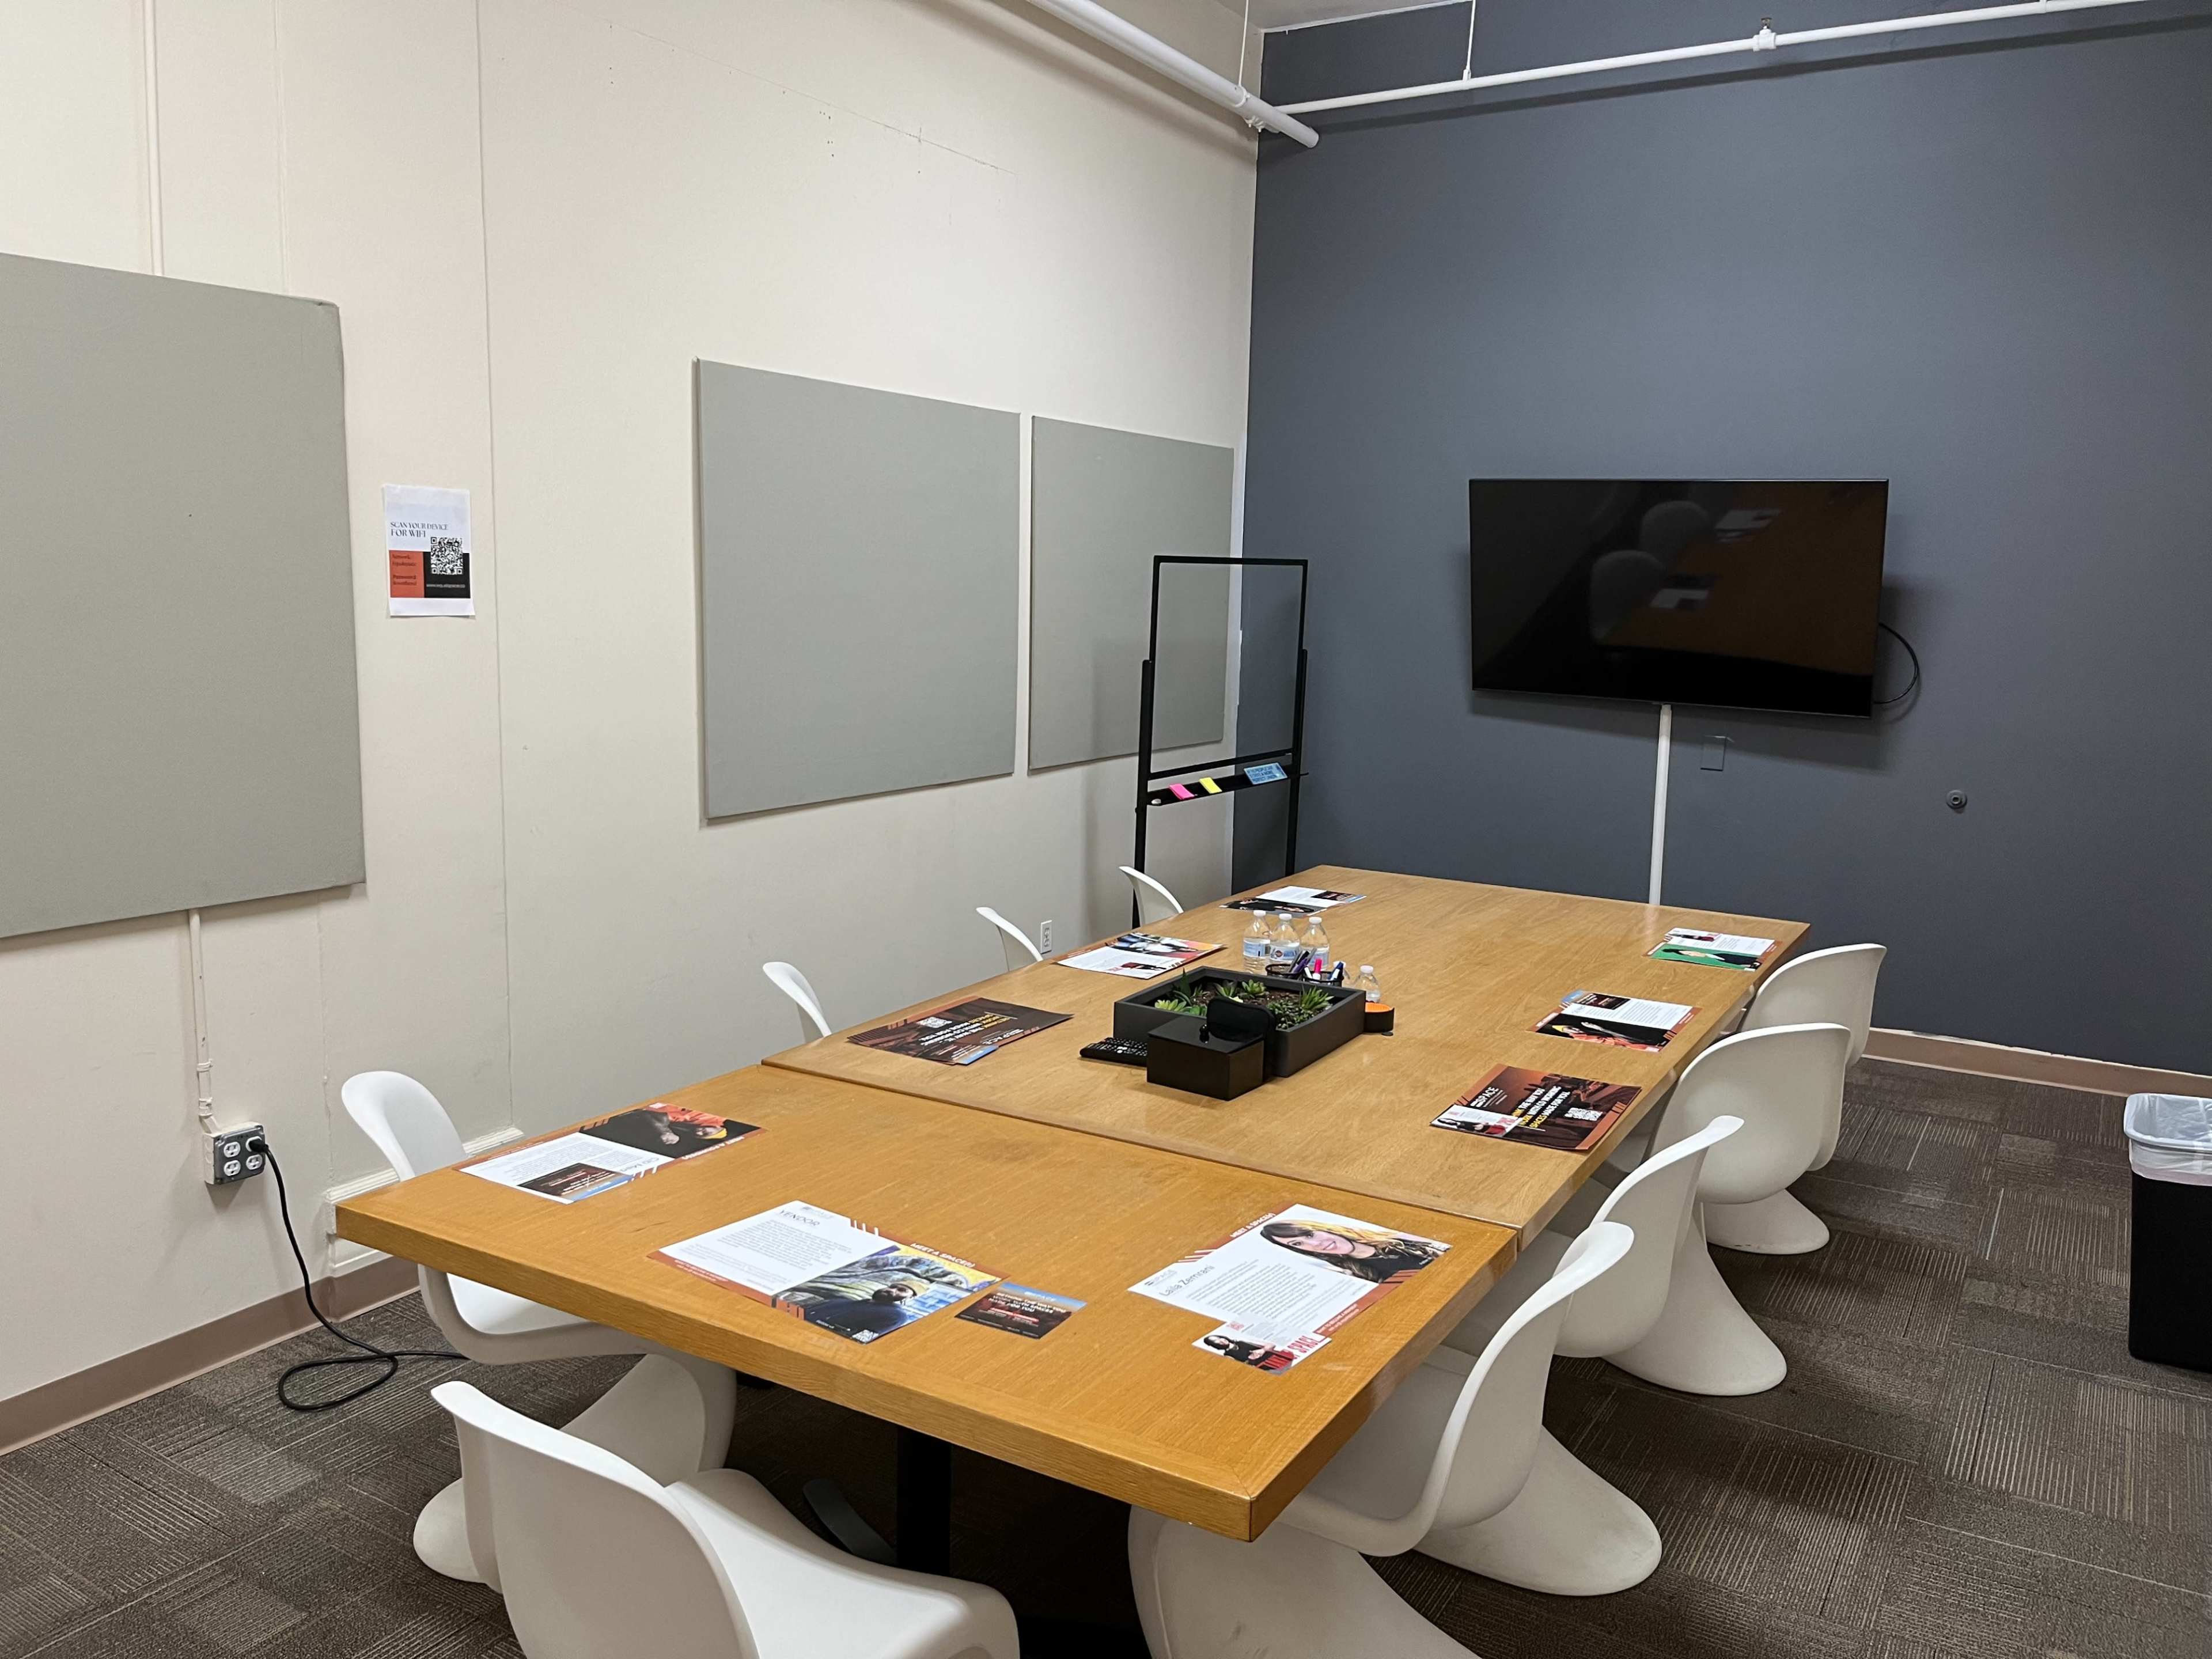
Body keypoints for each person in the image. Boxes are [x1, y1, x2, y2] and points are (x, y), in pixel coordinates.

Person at [1259, 1218, 1443, 1283]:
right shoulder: (1353, 1274)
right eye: (1297, 1244)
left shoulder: (1394, 1236)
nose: (1315, 1244)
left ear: (1322, 1227)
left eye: (1309, 1235)